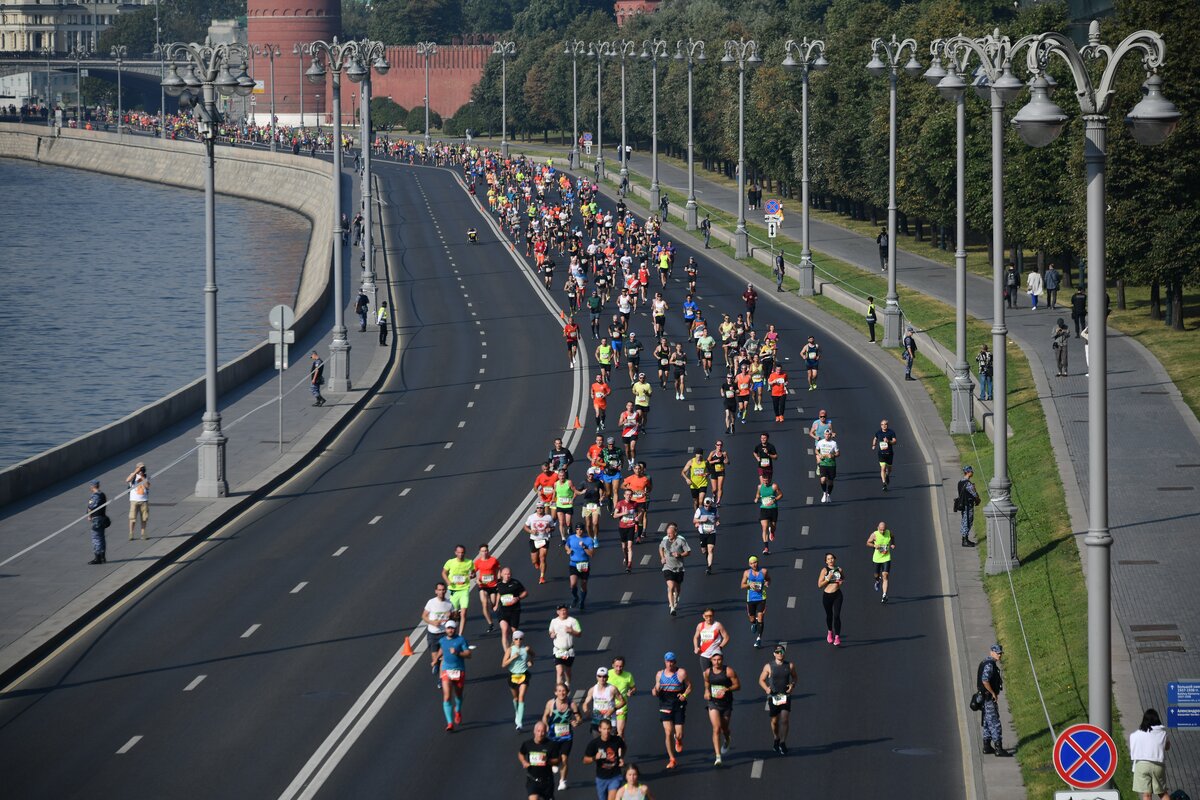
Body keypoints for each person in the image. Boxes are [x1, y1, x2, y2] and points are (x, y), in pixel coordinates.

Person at [652, 652, 692, 769]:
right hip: (665, 704)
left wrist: (684, 695)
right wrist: (655, 690)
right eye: (668, 661)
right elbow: (655, 690)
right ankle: (672, 758)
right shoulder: (659, 674)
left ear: (675, 662)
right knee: (668, 732)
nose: (670, 664)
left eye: (672, 661)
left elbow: (690, 686)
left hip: (678, 704)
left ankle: (678, 740)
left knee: (678, 734)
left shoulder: (681, 673)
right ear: (665, 662)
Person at [758, 645, 797, 755]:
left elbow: (795, 677)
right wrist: (766, 688)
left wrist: (792, 685)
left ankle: (783, 742)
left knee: (784, 719)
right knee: (775, 721)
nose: (780, 653)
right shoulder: (768, 666)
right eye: (777, 651)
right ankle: (776, 738)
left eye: (782, 651)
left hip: (785, 696)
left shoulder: (790, 665)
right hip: (773, 696)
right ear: (774, 654)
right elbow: (761, 680)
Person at [703, 651, 740, 765]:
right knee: (716, 728)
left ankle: (727, 738)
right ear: (711, 661)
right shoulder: (708, 672)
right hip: (713, 703)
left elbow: (738, 685)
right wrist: (707, 691)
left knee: (724, 728)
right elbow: (706, 683)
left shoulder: (728, 671)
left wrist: (727, 689)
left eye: (719, 660)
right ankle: (718, 757)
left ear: (722, 660)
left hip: (726, 703)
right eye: (714, 660)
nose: (716, 662)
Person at [543, 682, 582, 791]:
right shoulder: (551, 704)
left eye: (563, 691)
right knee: (555, 759)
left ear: (567, 692)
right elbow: (544, 717)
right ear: (555, 692)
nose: (562, 693)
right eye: (559, 691)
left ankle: (562, 781)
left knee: (564, 758)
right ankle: (554, 762)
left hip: (567, 737)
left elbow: (579, 718)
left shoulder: (572, 704)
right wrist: (545, 725)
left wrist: (577, 722)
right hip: (552, 737)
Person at [977, 644, 1013, 757]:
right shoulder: (990, 665)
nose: (999, 655)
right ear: (991, 652)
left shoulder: (985, 662)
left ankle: (987, 746)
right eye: (997, 653)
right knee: (995, 723)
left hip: (984, 697)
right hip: (988, 698)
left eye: (1000, 653)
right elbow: (985, 680)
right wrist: (993, 693)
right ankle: (998, 748)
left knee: (987, 722)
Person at [1130, 708, 1171, 800]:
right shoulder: (1163, 733)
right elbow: (1167, 747)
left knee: (1146, 795)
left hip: (1141, 765)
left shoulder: (1136, 734)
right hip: (1158, 765)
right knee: (1162, 793)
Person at [438, 619, 471, 731]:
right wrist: (436, 659)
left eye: (452, 628)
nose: (450, 630)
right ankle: (450, 723)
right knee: (447, 696)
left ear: (455, 629)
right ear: (445, 630)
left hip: (459, 670)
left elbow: (468, 654)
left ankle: (457, 710)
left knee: (458, 695)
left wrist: (457, 653)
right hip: (446, 670)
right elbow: (442, 650)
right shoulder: (442, 640)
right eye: (448, 628)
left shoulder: (461, 640)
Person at [583, 718, 627, 800]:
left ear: (610, 729)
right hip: (601, 778)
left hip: (615, 776)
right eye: (604, 729)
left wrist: (621, 757)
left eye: (608, 729)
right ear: (599, 729)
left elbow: (624, 747)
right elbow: (585, 760)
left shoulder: (617, 740)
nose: (606, 731)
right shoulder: (594, 743)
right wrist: (594, 758)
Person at [519, 721, 561, 800]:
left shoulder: (551, 745)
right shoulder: (527, 744)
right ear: (534, 731)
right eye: (538, 731)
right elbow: (521, 753)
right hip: (533, 780)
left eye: (543, 731)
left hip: (547, 781)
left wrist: (547, 761)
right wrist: (523, 761)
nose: (540, 734)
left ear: (546, 732)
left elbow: (557, 761)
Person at [422, 582, 456, 674]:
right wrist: (433, 622)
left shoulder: (449, 604)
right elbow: (424, 616)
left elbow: (453, 620)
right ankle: (436, 664)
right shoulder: (431, 602)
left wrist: (451, 615)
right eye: (439, 590)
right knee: (436, 657)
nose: (441, 592)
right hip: (432, 634)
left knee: (444, 658)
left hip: (444, 634)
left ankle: (441, 679)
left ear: (445, 591)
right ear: (436, 591)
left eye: (443, 590)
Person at [504, 631, 535, 730]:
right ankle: (518, 712)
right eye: (516, 639)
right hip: (513, 676)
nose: (518, 641)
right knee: (516, 698)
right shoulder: (510, 650)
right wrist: (513, 657)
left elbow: (533, 655)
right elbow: (503, 664)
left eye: (520, 639)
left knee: (521, 697)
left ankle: (519, 722)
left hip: (524, 675)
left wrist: (530, 661)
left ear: (523, 639)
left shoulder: (526, 649)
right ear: (513, 640)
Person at [442, 544, 476, 634]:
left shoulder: (469, 562)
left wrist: (472, 575)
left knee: (463, 613)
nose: (461, 554)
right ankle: (451, 630)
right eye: (459, 553)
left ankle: (460, 635)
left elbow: (473, 573)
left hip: (464, 589)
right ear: (455, 553)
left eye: (462, 553)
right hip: (453, 590)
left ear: (464, 553)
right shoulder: (450, 562)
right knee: (453, 614)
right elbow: (444, 573)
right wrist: (447, 581)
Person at [659, 523, 691, 616]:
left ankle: (676, 597)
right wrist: (662, 557)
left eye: (670, 533)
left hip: (679, 568)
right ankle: (672, 608)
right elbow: (660, 548)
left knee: (677, 588)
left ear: (675, 533)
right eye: (667, 533)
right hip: (667, 567)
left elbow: (688, 552)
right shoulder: (665, 541)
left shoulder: (681, 541)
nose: (668, 535)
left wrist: (680, 554)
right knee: (671, 587)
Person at [494, 566, 529, 651]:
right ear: (501, 574)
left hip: (514, 610)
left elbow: (525, 592)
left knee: (514, 632)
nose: (507, 576)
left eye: (509, 574)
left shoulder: (515, 583)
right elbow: (499, 593)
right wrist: (495, 604)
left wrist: (518, 598)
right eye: (505, 574)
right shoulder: (499, 584)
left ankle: (515, 649)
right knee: (504, 630)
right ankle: (507, 652)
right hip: (503, 610)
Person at [582, 667, 627, 733]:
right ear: (596, 677)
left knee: (611, 743)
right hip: (597, 721)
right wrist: (586, 711)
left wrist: (613, 709)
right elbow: (585, 703)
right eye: (599, 676)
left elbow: (623, 701)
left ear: (607, 677)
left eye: (604, 676)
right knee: (597, 742)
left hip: (610, 722)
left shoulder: (612, 689)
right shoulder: (592, 690)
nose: (602, 679)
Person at [548, 604, 583, 687]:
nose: (563, 612)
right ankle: (559, 690)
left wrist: (571, 631)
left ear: (567, 611)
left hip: (569, 651)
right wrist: (552, 634)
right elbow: (550, 632)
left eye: (564, 610)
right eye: (561, 610)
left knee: (567, 671)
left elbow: (579, 634)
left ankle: (567, 684)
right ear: (557, 612)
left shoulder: (573, 621)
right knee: (559, 672)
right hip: (558, 650)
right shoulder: (554, 621)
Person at [566, 524, 596, 610]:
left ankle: (582, 601)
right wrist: (568, 550)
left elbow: (591, 554)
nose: (579, 531)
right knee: (573, 584)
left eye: (581, 529)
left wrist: (584, 547)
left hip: (584, 565)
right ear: (575, 530)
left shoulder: (589, 540)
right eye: (577, 529)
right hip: (573, 564)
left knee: (583, 585)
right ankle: (576, 597)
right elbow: (567, 545)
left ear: (584, 530)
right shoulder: (571, 538)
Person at [742, 556, 770, 647]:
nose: (754, 564)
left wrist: (767, 583)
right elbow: (742, 585)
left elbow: (769, 579)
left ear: (758, 562)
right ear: (749, 564)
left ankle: (759, 639)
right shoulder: (746, 573)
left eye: (755, 562)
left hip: (761, 597)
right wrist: (749, 584)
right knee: (752, 618)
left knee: (761, 616)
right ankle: (754, 623)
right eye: (752, 563)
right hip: (751, 598)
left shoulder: (764, 571)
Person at [817, 552, 845, 646]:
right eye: (828, 559)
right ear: (826, 561)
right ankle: (830, 632)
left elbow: (843, 578)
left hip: (837, 595)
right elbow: (819, 585)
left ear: (835, 559)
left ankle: (837, 637)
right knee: (829, 615)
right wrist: (828, 579)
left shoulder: (839, 569)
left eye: (832, 558)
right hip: (827, 596)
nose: (831, 560)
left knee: (836, 615)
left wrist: (841, 581)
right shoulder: (824, 570)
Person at [607, 656, 637, 738]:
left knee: (620, 732)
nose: (619, 668)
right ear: (612, 665)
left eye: (621, 666)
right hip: (608, 706)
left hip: (621, 706)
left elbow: (633, 687)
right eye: (616, 666)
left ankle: (620, 750)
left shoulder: (628, 676)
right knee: (607, 733)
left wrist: (631, 692)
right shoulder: (607, 674)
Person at [473, 544, 500, 633]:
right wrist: (476, 580)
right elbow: (473, 573)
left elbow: (498, 569)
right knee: (484, 603)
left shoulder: (493, 560)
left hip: (493, 586)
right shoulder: (477, 562)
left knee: (492, 605)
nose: (484, 553)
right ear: (479, 552)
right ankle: (490, 624)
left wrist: (499, 579)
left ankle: (494, 610)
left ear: (488, 551)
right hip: (483, 586)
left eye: (486, 551)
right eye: (482, 551)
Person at [867, 521, 894, 603]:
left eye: (884, 530)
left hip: (886, 557)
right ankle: (877, 580)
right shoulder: (874, 534)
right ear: (877, 528)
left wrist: (892, 544)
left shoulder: (888, 532)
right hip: (877, 558)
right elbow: (867, 543)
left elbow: (892, 537)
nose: (882, 531)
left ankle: (884, 595)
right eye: (881, 530)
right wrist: (874, 545)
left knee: (885, 575)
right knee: (876, 575)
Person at [756, 473, 782, 555]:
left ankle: (772, 531)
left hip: (773, 509)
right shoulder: (760, 487)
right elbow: (757, 494)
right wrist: (757, 498)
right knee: (764, 527)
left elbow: (781, 495)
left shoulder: (774, 486)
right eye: (764, 481)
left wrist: (774, 500)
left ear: (770, 480)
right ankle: (766, 548)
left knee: (773, 527)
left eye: (767, 481)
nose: (765, 482)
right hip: (764, 509)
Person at [693, 497, 720, 575]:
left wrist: (717, 522)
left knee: (710, 549)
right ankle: (707, 558)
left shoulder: (714, 510)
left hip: (712, 532)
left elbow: (717, 518)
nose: (707, 508)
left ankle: (709, 567)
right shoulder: (700, 510)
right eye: (706, 506)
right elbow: (694, 520)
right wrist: (701, 521)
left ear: (711, 505)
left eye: (709, 506)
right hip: (702, 532)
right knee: (704, 551)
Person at [86, 479, 109, 565]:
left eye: (90, 486)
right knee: (101, 538)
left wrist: (89, 514)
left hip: (97, 519)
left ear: (92, 486)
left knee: (96, 538)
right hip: (102, 518)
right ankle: (103, 557)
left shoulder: (95, 496)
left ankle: (97, 557)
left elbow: (91, 506)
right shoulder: (102, 494)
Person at [956, 466, 980, 547]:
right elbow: (974, 494)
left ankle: (965, 539)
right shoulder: (968, 484)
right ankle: (965, 541)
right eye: (971, 471)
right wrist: (978, 499)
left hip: (963, 505)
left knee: (964, 521)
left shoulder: (960, 482)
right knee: (968, 521)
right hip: (968, 505)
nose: (972, 473)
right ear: (968, 472)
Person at [815, 428, 840, 503]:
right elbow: (816, 450)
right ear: (824, 435)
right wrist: (819, 455)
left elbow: (838, 453)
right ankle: (824, 493)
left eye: (829, 434)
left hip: (831, 464)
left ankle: (828, 495)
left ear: (831, 435)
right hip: (823, 463)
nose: (827, 436)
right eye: (826, 434)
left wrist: (833, 455)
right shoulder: (820, 442)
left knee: (830, 482)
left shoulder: (834, 443)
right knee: (823, 479)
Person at [126, 462, 150, 541]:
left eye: (143, 468)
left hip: (144, 500)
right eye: (140, 468)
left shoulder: (145, 476)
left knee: (144, 518)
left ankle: (143, 533)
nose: (142, 469)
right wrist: (136, 472)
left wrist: (142, 476)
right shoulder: (133, 475)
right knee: (132, 518)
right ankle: (131, 533)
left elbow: (147, 486)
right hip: (134, 500)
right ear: (137, 468)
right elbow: (127, 480)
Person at [872, 419, 897, 491]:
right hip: (881, 454)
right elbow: (875, 438)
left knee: (889, 469)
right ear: (880, 425)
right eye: (882, 424)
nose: (884, 426)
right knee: (883, 468)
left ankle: (887, 476)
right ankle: (884, 483)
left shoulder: (891, 432)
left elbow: (895, 441)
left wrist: (888, 441)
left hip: (889, 453)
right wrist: (873, 445)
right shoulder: (878, 432)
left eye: (885, 424)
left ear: (887, 425)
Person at [706, 440, 728, 506]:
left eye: (721, 445)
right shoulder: (712, 453)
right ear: (715, 445)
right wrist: (715, 461)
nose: (719, 446)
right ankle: (714, 494)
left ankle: (718, 502)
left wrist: (725, 459)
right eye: (718, 445)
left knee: (720, 487)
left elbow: (727, 462)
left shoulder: (724, 453)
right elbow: (707, 462)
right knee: (714, 489)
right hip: (713, 472)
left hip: (721, 472)